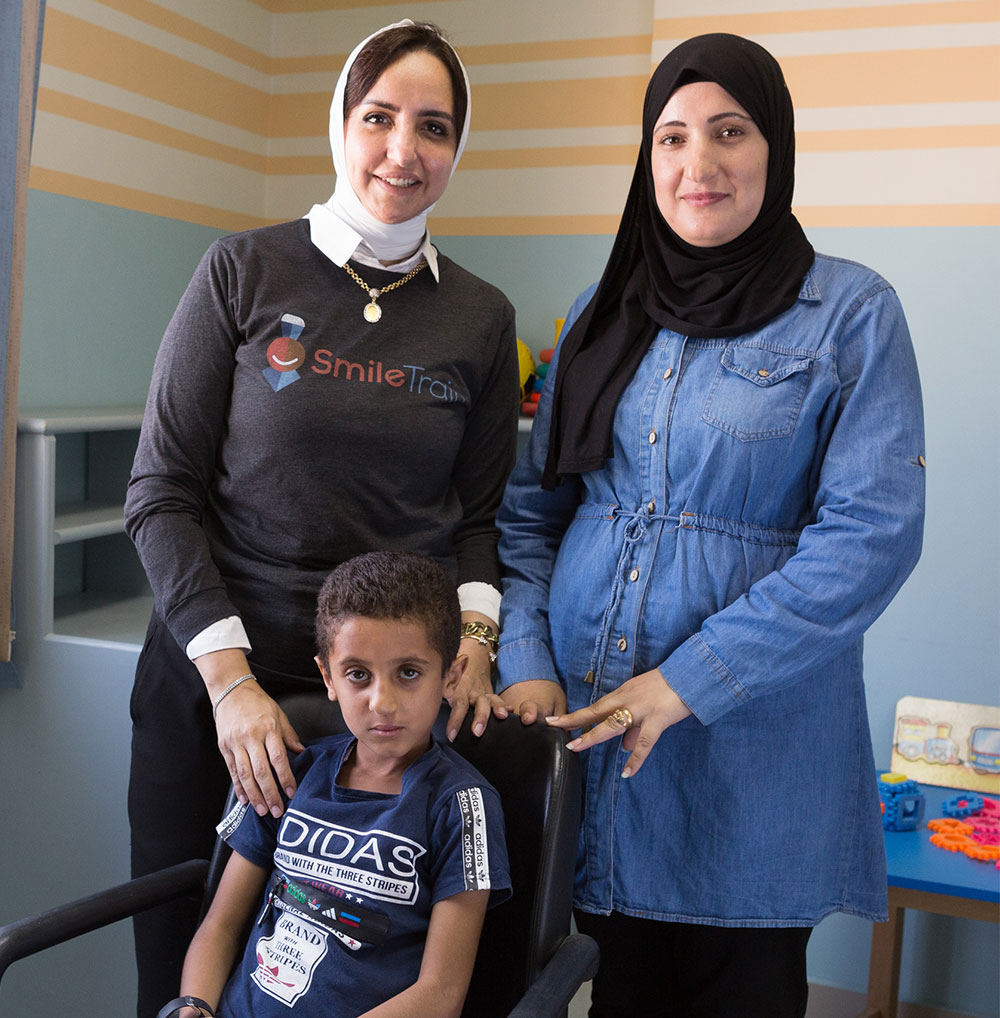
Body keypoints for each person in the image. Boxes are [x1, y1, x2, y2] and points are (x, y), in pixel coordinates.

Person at [495, 32, 925, 1018]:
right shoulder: (597, 311)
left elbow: (871, 535)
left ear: (772, 149)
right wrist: (525, 659)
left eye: (728, 132)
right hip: (590, 744)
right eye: (671, 137)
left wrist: (683, 683)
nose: (698, 164)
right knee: (610, 989)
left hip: (749, 755)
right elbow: (529, 517)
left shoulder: (849, 312)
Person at [124, 21, 517, 1016]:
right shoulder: (242, 271)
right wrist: (229, 686)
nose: (403, 149)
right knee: (185, 971)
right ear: (341, 123)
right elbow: (159, 493)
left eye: (433, 127)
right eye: (379, 116)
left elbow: (478, 521)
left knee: (357, 981)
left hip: (384, 710)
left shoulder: (479, 317)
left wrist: (473, 638)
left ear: (458, 151)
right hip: (217, 693)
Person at [156, 551, 511, 1018]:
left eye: (408, 673)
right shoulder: (289, 771)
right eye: (358, 675)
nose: (381, 702)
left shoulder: (461, 805)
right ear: (328, 676)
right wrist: (194, 1007)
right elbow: (220, 924)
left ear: (450, 674)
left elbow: (440, 994)